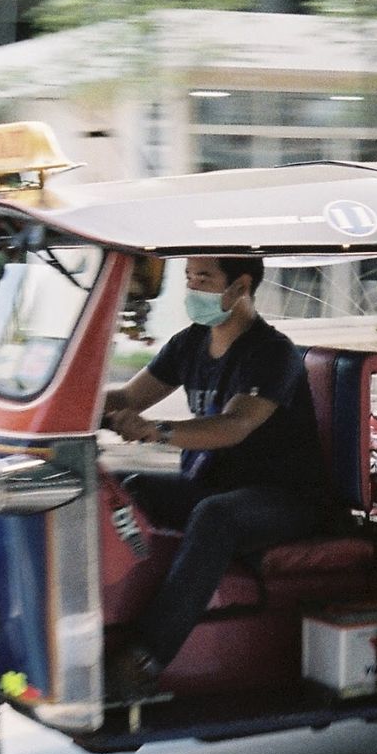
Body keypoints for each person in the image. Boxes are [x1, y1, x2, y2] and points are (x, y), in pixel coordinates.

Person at [102, 254, 328, 699]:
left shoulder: (271, 352)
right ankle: (120, 620)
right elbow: (129, 396)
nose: (192, 289)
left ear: (239, 287)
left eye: (203, 278)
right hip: (217, 484)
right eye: (188, 278)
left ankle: (146, 659)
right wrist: (70, 404)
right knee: (129, 490)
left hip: (285, 497)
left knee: (215, 515)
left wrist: (156, 432)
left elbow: (234, 425)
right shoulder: (190, 343)